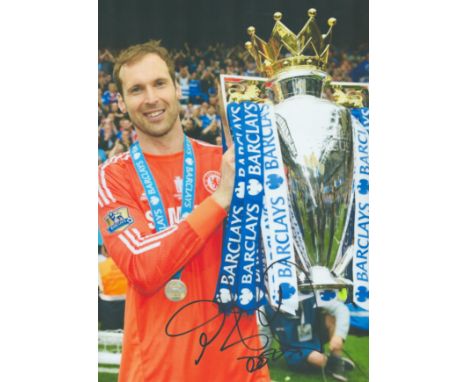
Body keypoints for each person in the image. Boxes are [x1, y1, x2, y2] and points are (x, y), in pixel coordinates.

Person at [98, 40, 269, 382]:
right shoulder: (113, 177)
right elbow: (143, 268)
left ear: (177, 88)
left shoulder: (228, 161)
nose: (150, 98)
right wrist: (219, 199)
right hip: (159, 371)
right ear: (120, 101)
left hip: (239, 369)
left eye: (159, 83)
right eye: (136, 89)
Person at [261, 293, 355, 381]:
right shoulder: (267, 304)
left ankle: (336, 361)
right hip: (293, 350)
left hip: (313, 338)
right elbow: (265, 334)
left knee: (331, 317)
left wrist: (339, 335)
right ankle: (331, 363)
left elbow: (341, 309)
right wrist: (261, 360)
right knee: (317, 359)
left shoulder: (309, 291)